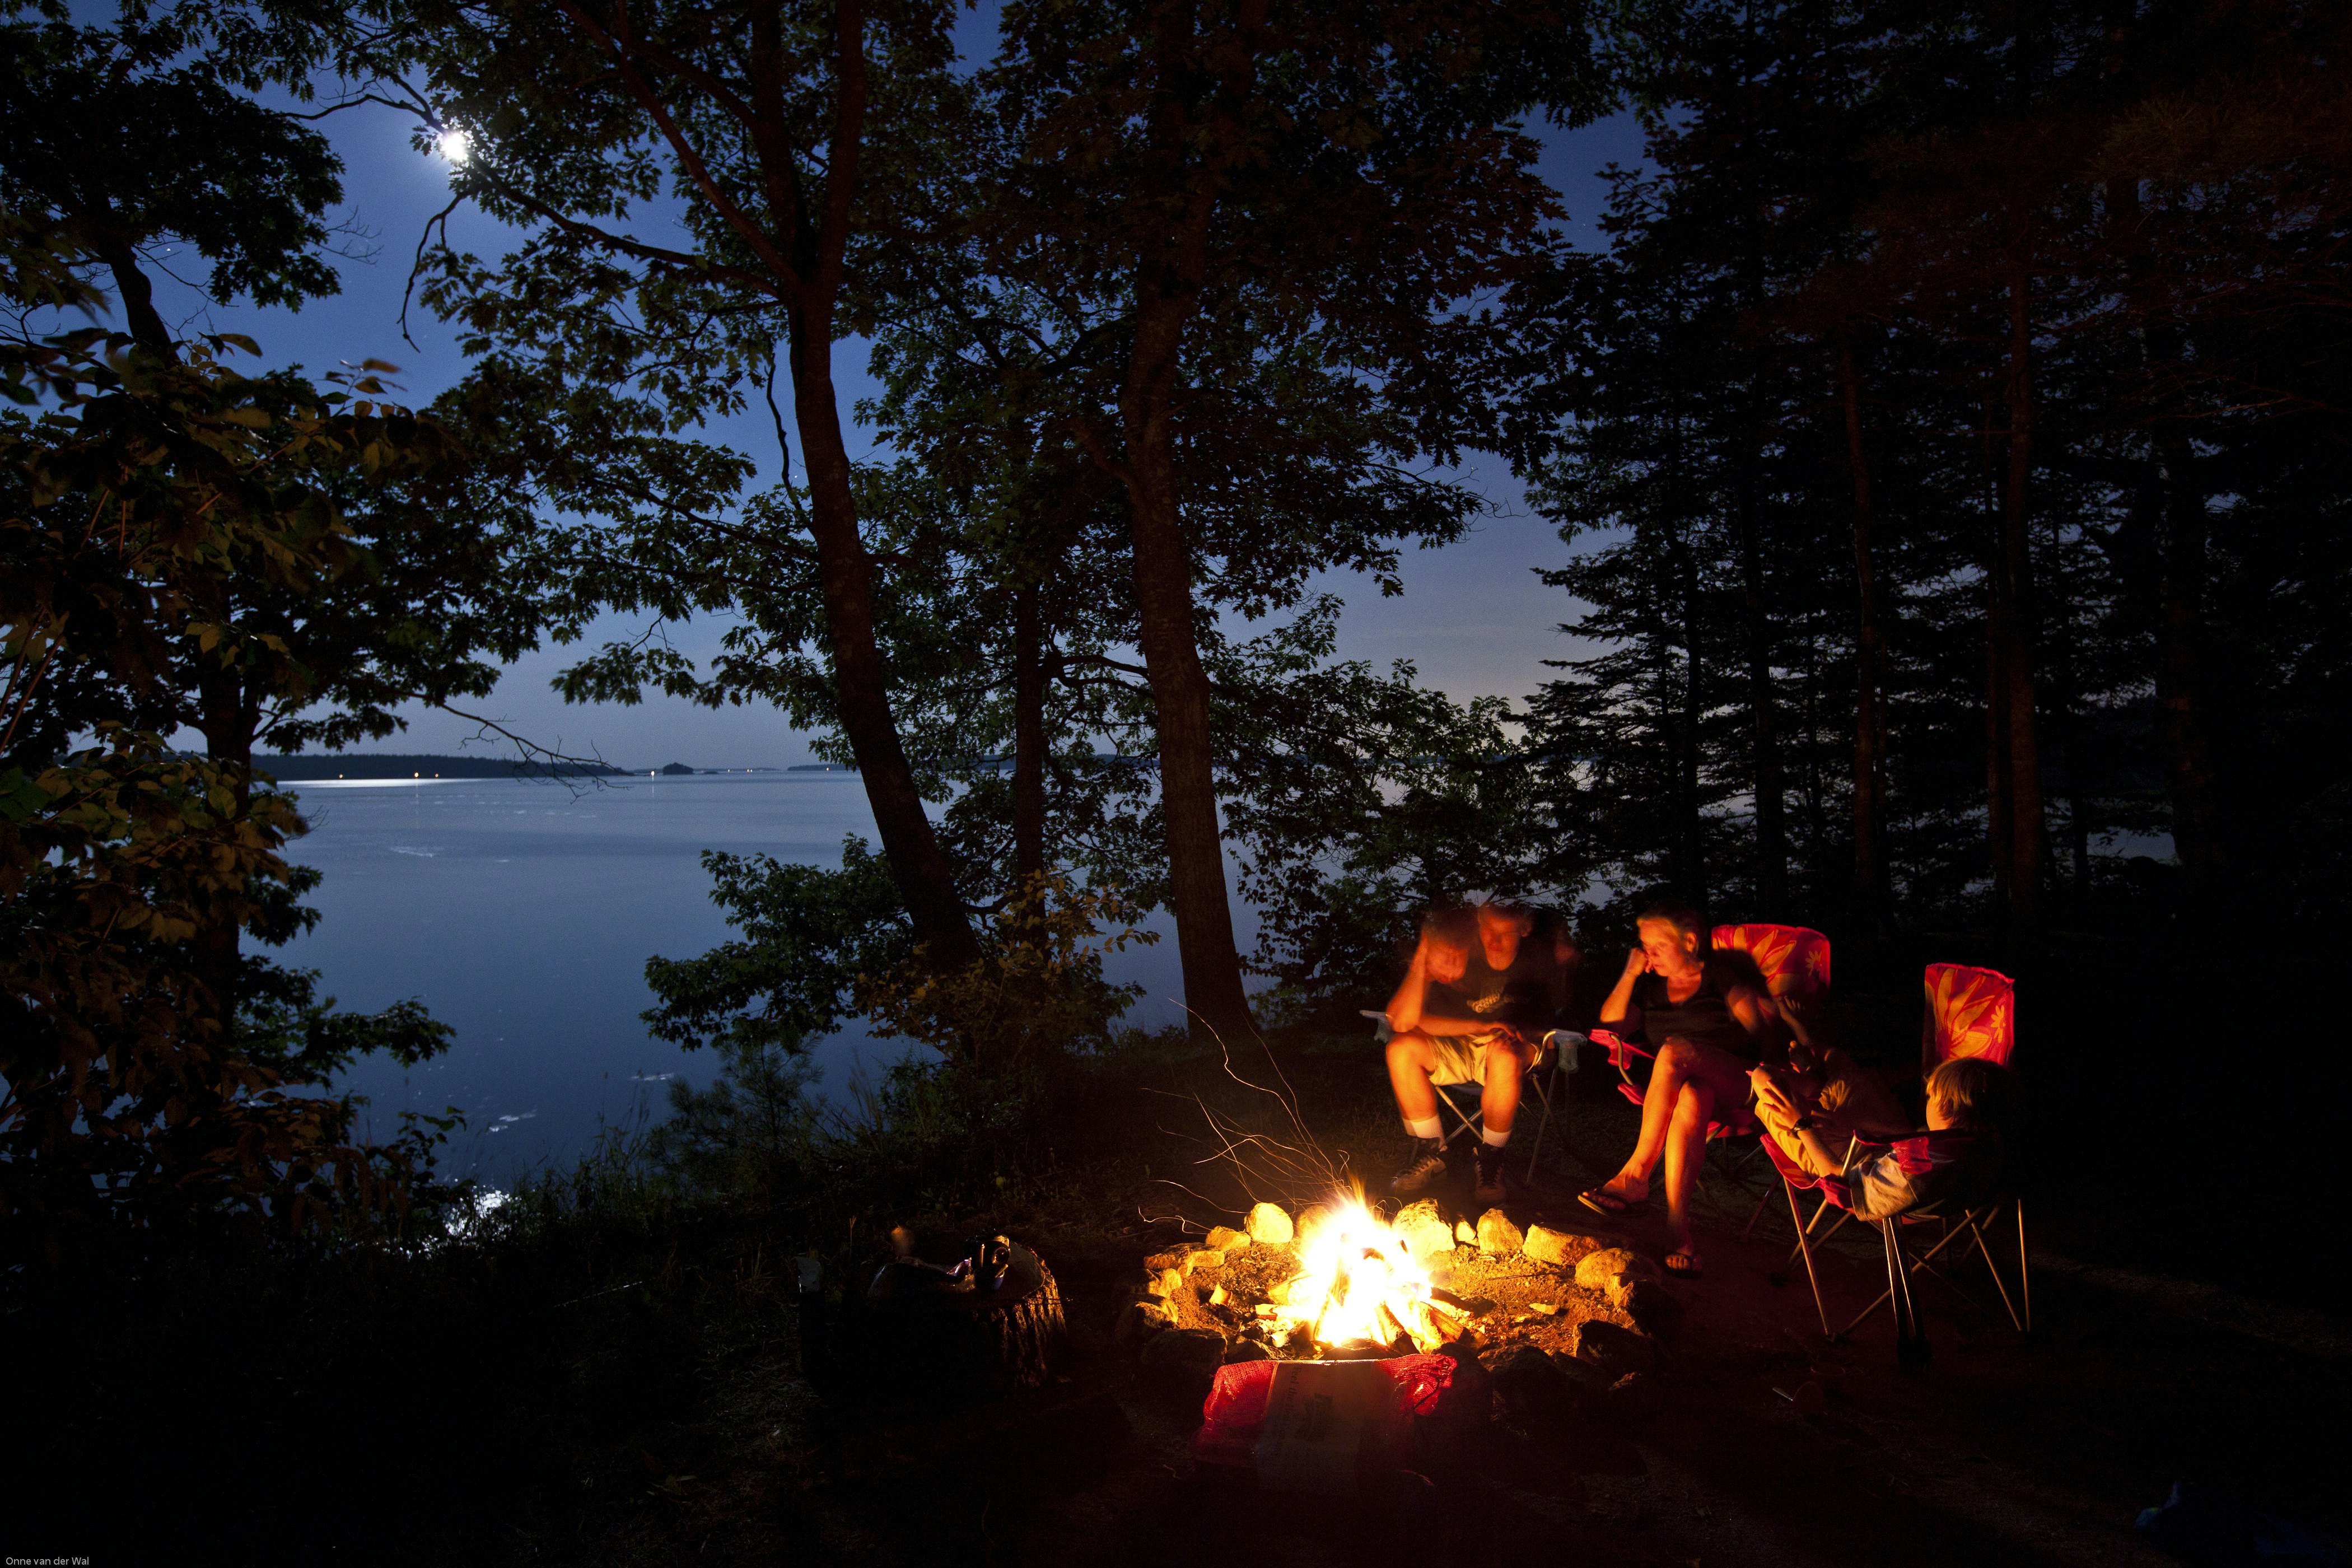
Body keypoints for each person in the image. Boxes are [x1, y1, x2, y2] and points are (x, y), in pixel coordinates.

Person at [1576, 899, 1774, 1277]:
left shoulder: (1721, 977)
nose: (1649, 954)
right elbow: (1611, 1025)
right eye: (1644, 946)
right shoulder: (1651, 990)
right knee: (1693, 1095)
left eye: (1658, 946)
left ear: (1689, 942)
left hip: (1742, 1083)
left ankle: (1635, 1176)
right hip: (1689, 1087)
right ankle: (1678, 1232)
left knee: (1672, 1050)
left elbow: (1762, 1032)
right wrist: (1632, 973)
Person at [1382, 899, 1571, 1204]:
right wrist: (1422, 960)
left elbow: (1558, 1016)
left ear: (1523, 930)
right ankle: (1432, 1153)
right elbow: (1404, 1022)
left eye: (1505, 934)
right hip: (1464, 1043)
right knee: (1401, 1049)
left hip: (1516, 1048)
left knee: (1503, 1052)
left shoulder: (1540, 958)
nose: (1494, 941)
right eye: (1487, 931)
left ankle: (1491, 1159)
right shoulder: (1458, 954)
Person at [1751, 1054, 2019, 1218]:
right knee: (1845, 1077)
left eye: (1930, 1096)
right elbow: (1913, 1139)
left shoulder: (1914, 1171)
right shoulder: (1977, 1145)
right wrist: (1851, 1122)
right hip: (1873, 1152)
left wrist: (1801, 1124)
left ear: (1946, 1108)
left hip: (1842, 1166)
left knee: (1765, 1087)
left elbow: (1840, 1185)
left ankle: (1809, 1082)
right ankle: (1815, 1080)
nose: (1927, 1100)